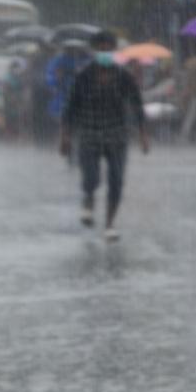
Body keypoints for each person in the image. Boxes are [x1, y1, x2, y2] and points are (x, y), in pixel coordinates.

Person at [61, 30, 149, 242]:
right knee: (91, 177)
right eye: (101, 49)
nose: (105, 52)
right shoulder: (83, 76)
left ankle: (110, 224)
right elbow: (71, 107)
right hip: (89, 133)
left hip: (117, 135)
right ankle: (88, 201)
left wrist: (144, 135)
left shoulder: (124, 76)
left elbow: (137, 105)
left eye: (108, 49)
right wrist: (65, 136)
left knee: (116, 180)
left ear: (114, 50)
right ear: (94, 50)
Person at [46, 40, 89, 143]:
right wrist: (56, 80)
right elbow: (51, 76)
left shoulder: (86, 60)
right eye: (71, 48)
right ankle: (65, 137)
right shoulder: (58, 61)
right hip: (63, 95)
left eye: (76, 48)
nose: (73, 50)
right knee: (63, 118)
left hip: (82, 96)